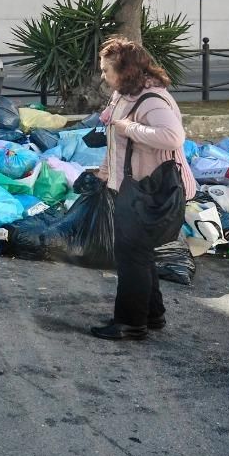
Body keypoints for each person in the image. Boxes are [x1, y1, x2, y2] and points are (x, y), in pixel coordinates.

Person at [91, 36, 196, 341]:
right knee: (139, 252)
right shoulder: (123, 94)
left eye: (107, 70)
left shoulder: (151, 100)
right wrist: (104, 173)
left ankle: (130, 323)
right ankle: (152, 314)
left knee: (131, 254)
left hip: (150, 189)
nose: (103, 76)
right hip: (132, 186)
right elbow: (116, 140)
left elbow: (173, 137)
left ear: (125, 71)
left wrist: (130, 127)